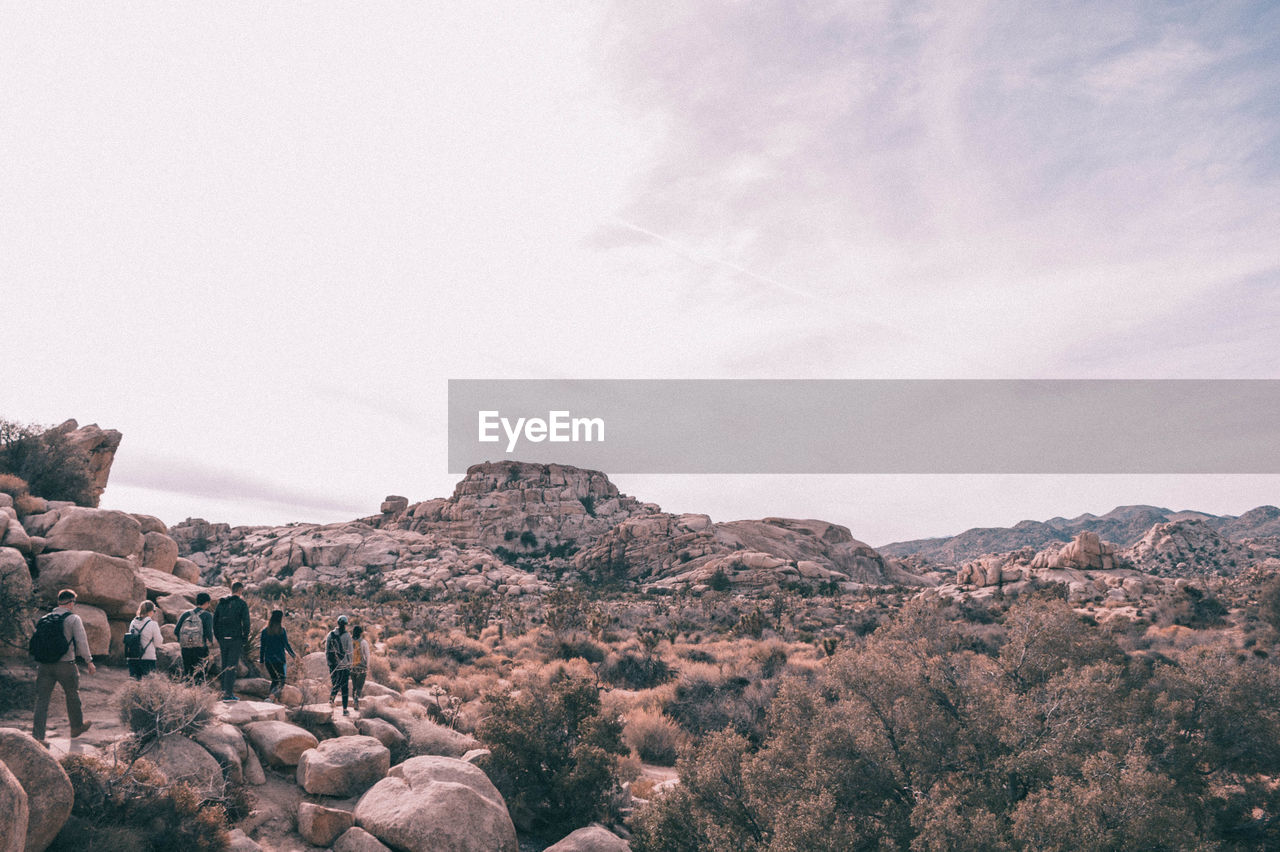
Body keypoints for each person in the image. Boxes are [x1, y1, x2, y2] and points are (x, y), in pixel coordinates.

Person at [32, 589, 96, 742]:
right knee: (72, 695)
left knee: (42, 700)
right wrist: (89, 661)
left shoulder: (44, 618)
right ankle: (76, 727)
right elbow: (81, 641)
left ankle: (38, 737)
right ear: (71, 602)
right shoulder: (73, 619)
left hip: (44, 665)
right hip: (66, 665)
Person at [213, 581, 251, 701]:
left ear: (232, 589)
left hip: (223, 639)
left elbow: (215, 621)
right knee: (232, 666)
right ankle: (228, 695)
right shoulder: (242, 604)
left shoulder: (222, 603)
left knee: (224, 665)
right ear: (240, 590)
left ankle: (223, 691)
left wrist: (218, 637)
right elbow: (246, 623)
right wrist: (244, 638)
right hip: (236, 639)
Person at [175, 592, 216, 682]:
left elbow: (176, 631)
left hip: (186, 648)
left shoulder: (185, 614)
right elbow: (209, 633)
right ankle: (197, 693)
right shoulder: (207, 615)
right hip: (200, 649)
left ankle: (188, 692)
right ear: (206, 603)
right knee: (200, 673)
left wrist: (183, 641)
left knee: (188, 673)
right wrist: (211, 644)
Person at [258, 609, 297, 701]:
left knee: (275, 680)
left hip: (268, 660)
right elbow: (286, 645)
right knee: (281, 681)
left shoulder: (265, 631)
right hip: (280, 660)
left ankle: (271, 699)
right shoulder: (281, 631)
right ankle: (272, 697)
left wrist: (261, 661)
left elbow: (262, 647)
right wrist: (294, 656)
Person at [125, 600, 163, 680]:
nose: (154, 613)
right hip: (148, 657)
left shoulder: (133, 623)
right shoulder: (153, 624)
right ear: (150, 612)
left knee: (134, 683)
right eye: (154, 611)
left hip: (133, 657)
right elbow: (158, 643)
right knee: (148, 684)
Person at [325, 615, 353, 715]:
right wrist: (350, 664)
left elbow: (327, 650)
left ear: (337, 623)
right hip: (344, 665)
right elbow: (350, 652)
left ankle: (331, 701)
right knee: (345, 687)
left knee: (335, 684)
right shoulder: (347, 636)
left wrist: (329, 663)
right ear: (345, 624)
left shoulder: (330, 634)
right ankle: (345, 710)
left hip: (333, 664)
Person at [349, 624, 371, 711]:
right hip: (361, 667)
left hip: (352, 666)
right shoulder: (364, 642)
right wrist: (367, 665)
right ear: (361, 633)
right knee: (359, 686)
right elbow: (367, 655)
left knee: (354, 685)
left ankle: (354, 700)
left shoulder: (349, 642)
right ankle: (356, 700)